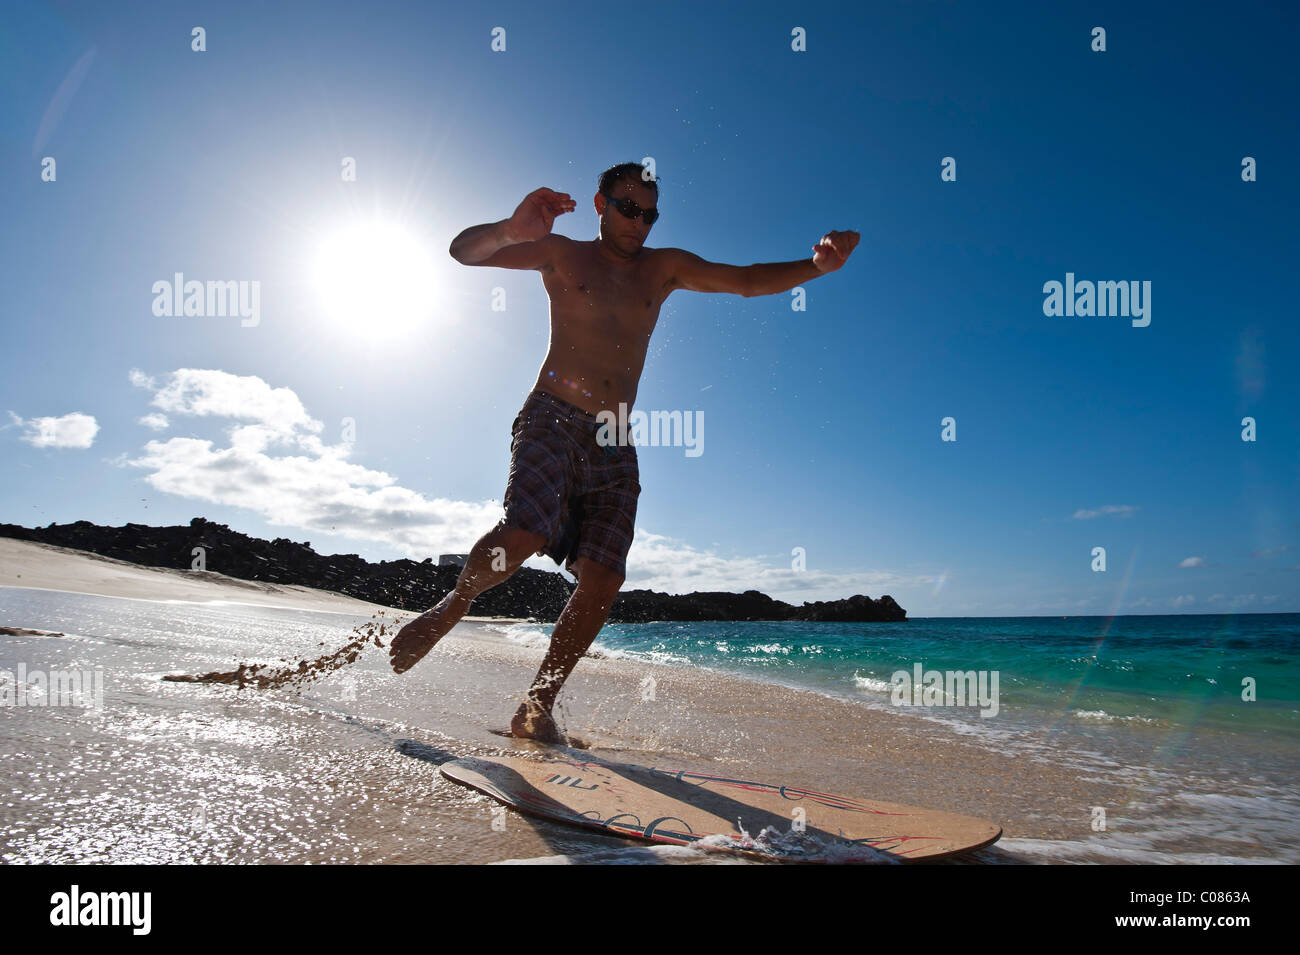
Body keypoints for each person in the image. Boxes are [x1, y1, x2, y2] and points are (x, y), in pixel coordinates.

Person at [388, 161, 859, 742]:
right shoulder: (560, 253)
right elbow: (464, 252)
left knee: (604, 577)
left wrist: (816, 267)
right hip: (551, 415)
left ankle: (537, 704)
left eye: (649, 214)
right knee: (527, 532)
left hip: (614, 433)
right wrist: (513, 229)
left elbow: (746, 279)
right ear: (599, 204)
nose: (639, 223)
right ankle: (452, 607)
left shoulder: (663, 269)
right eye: (628, 208)